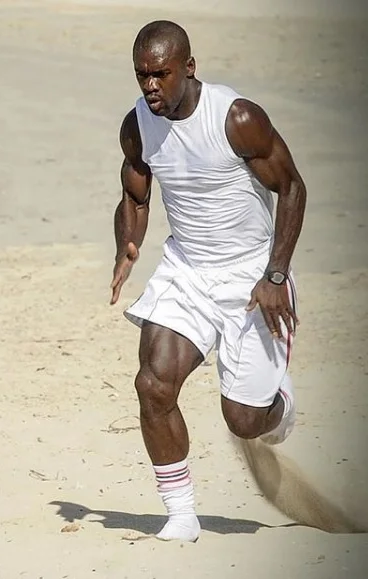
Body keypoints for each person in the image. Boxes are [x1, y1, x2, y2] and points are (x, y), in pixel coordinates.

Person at [110, 20, 306, 542]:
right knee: (152, 384)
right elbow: (135, 195)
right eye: (142, 75)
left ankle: (280, 406)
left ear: (189, 68)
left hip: (251, 273)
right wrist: (127, 244)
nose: (150, 86)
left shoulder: (236, 118)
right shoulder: (138, 125)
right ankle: (181, 514)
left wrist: (275, 274)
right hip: (187, 269)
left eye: (160, 74)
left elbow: (291, 188)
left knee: (244, 420)